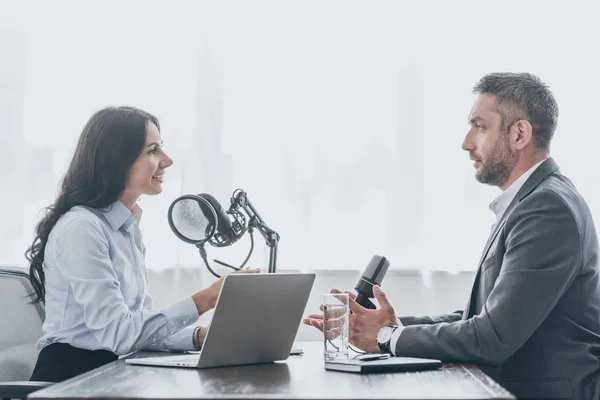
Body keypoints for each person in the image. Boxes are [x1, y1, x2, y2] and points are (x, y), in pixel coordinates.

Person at [304, 73, 600, 399]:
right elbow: (478, 318)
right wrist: (380, 324)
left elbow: (491, 337)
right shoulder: (531, 202)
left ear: (519, 134)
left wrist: (387, 336)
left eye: (480, 127)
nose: (466, 142)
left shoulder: (546, 209)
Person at [26, 106, 259, 382]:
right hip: (70, 380)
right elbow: (119, 335)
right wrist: (206, 298)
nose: (167, 160)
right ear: (117, 160)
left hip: (111, 374)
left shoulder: (126, 229)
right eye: (153, 151)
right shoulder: (81, 228)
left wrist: (198, 337)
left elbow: (136, 328)